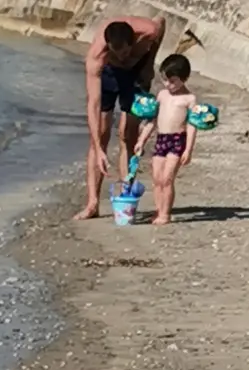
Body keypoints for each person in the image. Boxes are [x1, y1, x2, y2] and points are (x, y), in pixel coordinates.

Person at [75, 16, 166, 221]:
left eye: (124, 52)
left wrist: (149, 63)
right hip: (108, 75)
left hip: (136, 73)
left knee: (128, 134)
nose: (122, 57)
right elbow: (93, 105)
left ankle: (126, 194)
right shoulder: (97, 58)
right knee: (100, 134)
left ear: (132, 42)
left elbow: (161, 23)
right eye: (116, 53)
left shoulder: (148, 31)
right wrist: (98, 149)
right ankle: (92, 204)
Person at [135, 54, 196, 227]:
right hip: (161, 138)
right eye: (164, 80)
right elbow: (152, 120)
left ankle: (165, 214)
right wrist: (141, 140)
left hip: (178, 140)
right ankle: (158, 209)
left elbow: (192, 125)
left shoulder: (189, 99)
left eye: (172, 81)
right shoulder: (162, 95)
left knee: (167, 178)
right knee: (157, 178)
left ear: (184, 79)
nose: (168, 84)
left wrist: (188, 149)